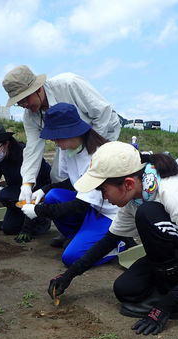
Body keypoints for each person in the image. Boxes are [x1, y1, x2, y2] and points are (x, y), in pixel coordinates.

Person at [47, 141, 178, 336]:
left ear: (128, 183)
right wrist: (69, 275)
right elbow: (110, 239)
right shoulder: (137, 197)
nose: (103, 198)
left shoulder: (176, 194)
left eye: (103, 190)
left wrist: (163, 308)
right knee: (126, 289)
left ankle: (176, 300)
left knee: (148, 214)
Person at [2, 65, 121, 204]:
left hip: (101, 131)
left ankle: (97, 208)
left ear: (38, 89)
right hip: (69, 141)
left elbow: (102, 112)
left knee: (96, 174)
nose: (24, 105)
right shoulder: (30, 116)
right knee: (57, 176)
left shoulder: (69, 84)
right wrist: (27, 183)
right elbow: (33, 148)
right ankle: (71, 210)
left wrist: (94, 151)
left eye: (25, 99)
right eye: (19, 103)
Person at [20, 103, 122, 265]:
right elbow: (74, 182)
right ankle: (75, 236)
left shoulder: (97, 155)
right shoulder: (69, 150)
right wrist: (44, 190)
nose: (54, 141)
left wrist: (39, 210)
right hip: (92, 207)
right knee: (53, 195)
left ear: (73, 132)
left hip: (108, 214)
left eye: (57, 137)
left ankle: (119, 244)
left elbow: (79, 206)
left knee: (71, 258)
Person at [0, 123, 51, 242]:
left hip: (40, 194)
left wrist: (26, 229)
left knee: (7, 195)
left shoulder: (26, 154)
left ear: (7, 142)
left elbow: (37, 187)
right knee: (9, 229)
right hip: (18, 196)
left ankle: (42, 219)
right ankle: (22, 215)